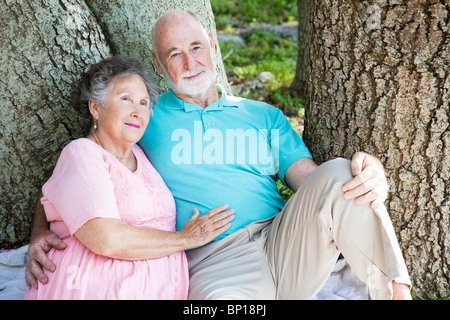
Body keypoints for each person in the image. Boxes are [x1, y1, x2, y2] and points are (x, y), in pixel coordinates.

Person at [26, 11, 412, 299]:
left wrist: (368, 171)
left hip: (283, 239)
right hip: (214, 259)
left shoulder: (263, 116)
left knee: (341, 172)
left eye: (195, 47)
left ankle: (396, 291)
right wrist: (41, 233)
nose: (190, 62)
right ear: (159, 63)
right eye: (174, 54)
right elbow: (77, 176)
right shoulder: (144, 117)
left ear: (212, 44)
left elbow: (316, 183)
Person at [24, 56, 234, 299]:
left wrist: (38, 229)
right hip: (92, 288)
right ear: (95, 107)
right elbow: (106, 239)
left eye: (144, 103)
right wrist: (186, 239)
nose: (137, 111)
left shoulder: (140, 153)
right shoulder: (83, 152)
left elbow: (53, 190)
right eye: (126, 99)